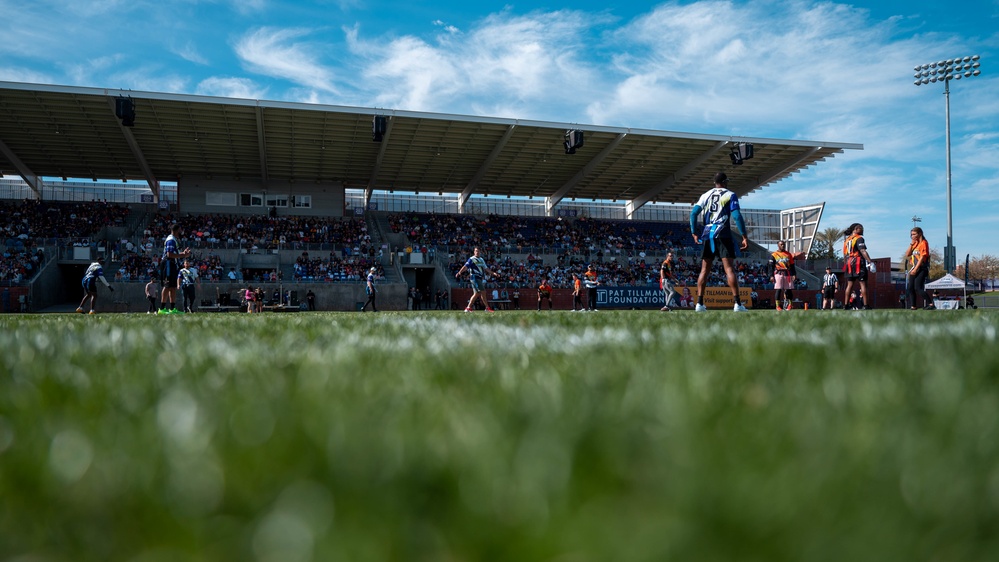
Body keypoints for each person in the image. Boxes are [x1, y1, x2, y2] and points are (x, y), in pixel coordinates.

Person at [689, 172, 750, 312]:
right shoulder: (730, 195)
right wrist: (744, 236)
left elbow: (693, 214)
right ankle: (737, 304)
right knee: (729, 269)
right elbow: (737, 216)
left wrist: (694, 233)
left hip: (708, 234)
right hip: (723, 233)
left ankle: (699, 304)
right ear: (725, 182)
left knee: (704, 270)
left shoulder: (706, 195)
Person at [158, 223, 191, 314]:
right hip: (168, 263)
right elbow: (169, 254)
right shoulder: (171, 240)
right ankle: (162, 308)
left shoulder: (174, 240)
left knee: (172, 286)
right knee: (167, 285)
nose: (181, 232)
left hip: (172, 264)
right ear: (176, 230)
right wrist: (183, 255)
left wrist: (182, 254)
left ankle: (172, 308)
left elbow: (174, 253)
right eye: (180, 230)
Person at [455, 247, 501, 312]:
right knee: (483, 292)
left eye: (478, 251)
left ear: (480, 252)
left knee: (477, 293)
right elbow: (465, 266)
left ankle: (468, 308)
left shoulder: (481, 259)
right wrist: (459, 272)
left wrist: (493, 273)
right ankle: (487, 308)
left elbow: (486, 268)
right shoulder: (472, 259)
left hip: (479, 278)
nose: (477, 252)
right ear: (474, 252)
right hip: (474, 277)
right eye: (476, 251)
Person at [842, 223, 874, 310]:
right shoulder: (859, 239)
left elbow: (844, 254)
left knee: (850, 285)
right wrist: (870, 262)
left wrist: (846, 264)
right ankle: (865, 305)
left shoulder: (847, 240)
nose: (863, 230)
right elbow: (863, 251)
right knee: (863, 284)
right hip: (858, 263)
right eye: (861, 228)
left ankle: (846, 305)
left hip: (849, 263)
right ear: (855, 229)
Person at [904, 227, 934, 310]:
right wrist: (911, 244)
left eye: (914, 234)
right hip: (914, 268)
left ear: (920, 233)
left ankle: (931, 304)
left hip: (921, 268)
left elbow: (922, 257)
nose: (912, 236)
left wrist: (915, 269)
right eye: (911, 235)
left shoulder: (924, 243)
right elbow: (907, 254)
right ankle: (913, 306)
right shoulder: (915, 243)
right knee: (910, 288)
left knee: (918, 288)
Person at [769, 240, 797, 310]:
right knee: (778, 290)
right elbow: (770, 266)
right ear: (778, 245)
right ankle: (778, 306)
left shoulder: (788, 254)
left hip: (787, 273)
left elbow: (792, 265)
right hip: (778, 273)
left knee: (789, 290)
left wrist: (794, 274)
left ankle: (790, 305)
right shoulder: (774, 254)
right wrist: (771, 275)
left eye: (783, 244)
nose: (783, 246)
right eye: (781, 244)